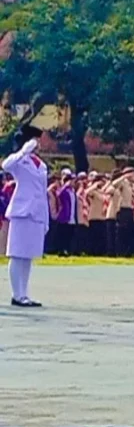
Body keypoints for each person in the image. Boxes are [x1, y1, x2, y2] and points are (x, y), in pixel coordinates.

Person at [3, 125, 49, 307]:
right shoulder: (19, 161)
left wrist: (45, 219)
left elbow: (42, 191)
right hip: (22, 211)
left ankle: (24, 293)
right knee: (17, 254)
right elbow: (6, 165)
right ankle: (17, 294)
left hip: (37, 212)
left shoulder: (41, 164)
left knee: (28, 256)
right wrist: (22, 151)